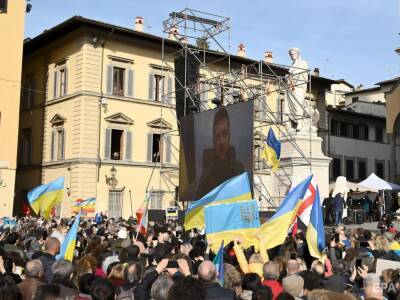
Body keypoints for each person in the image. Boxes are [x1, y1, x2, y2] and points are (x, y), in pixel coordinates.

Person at [195, 108, 245, 199]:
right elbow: (198, 199)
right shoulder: (208, 171)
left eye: (225, 134)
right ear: (213, 140)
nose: (221, 141)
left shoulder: (239, 169)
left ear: (229, 135)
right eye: (217, 136)